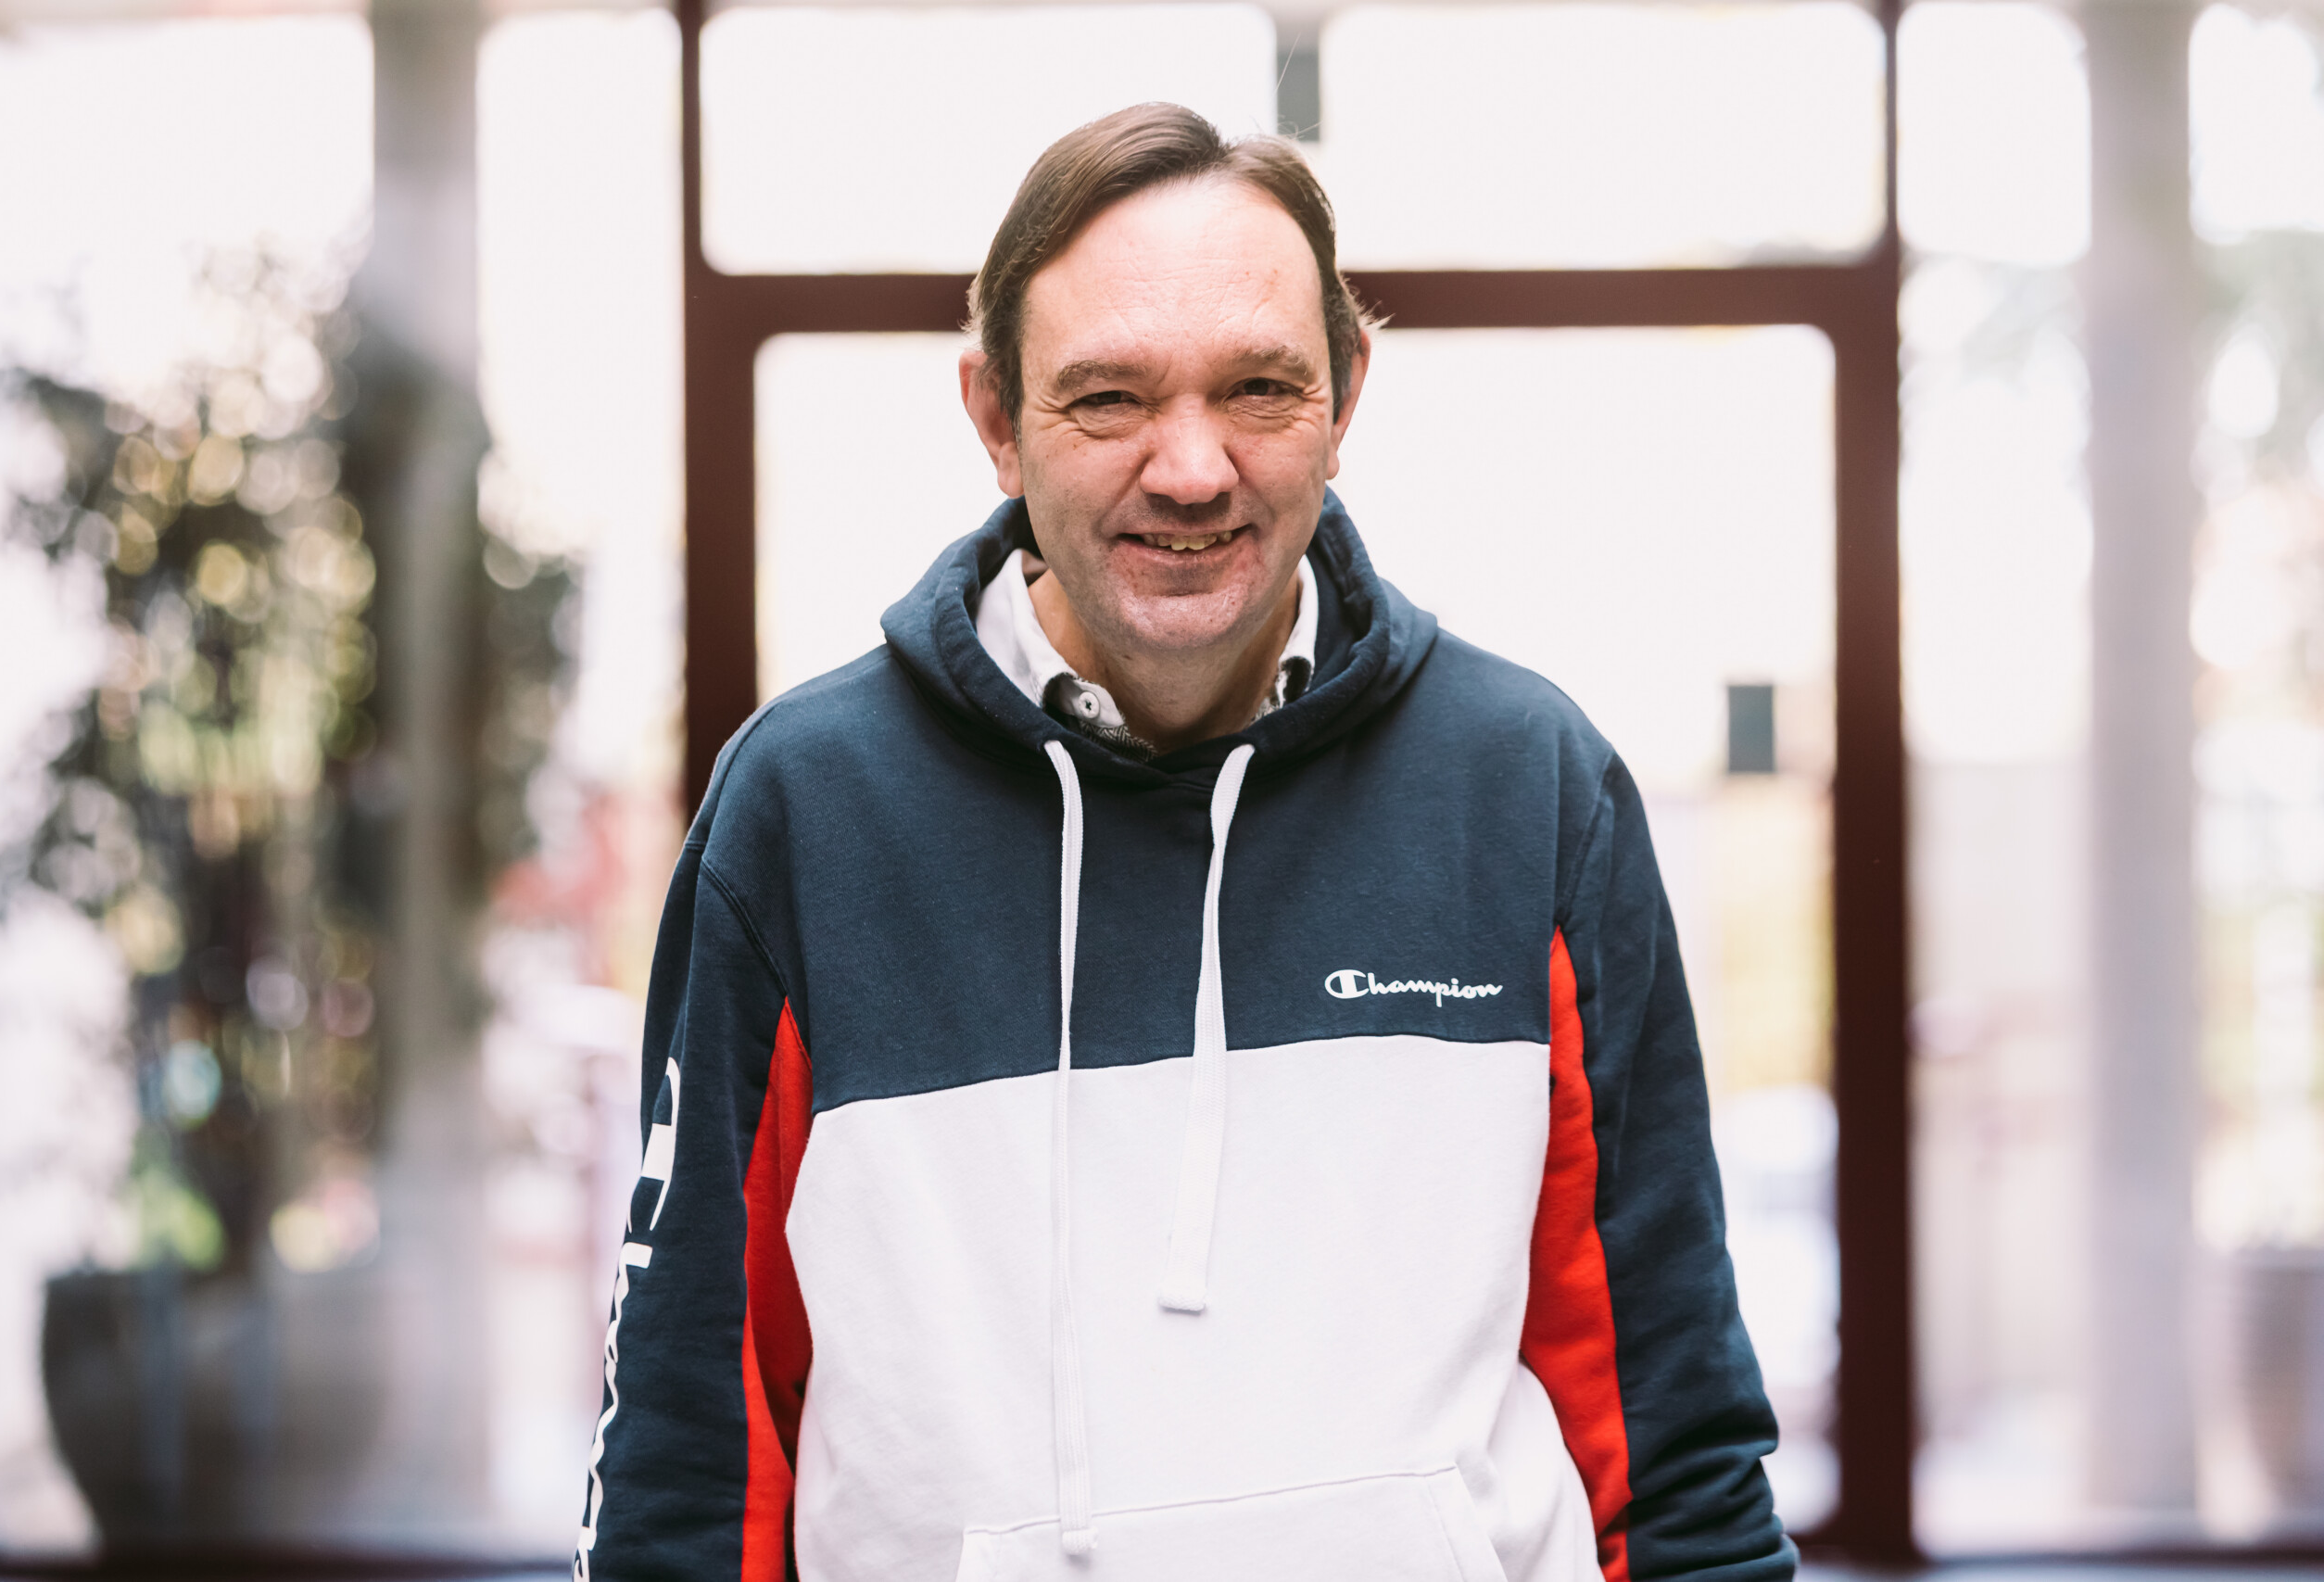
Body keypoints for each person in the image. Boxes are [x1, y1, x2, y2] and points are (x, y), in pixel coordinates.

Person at [575, 103, 1791, 1582]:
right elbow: (692, 1450)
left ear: (1346, 398)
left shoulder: (1530, 789)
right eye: (1110, 400)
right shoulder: (806, 812)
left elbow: (1671, 1433)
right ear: (993, 417)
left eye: (1260, 388)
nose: (1195, 469)